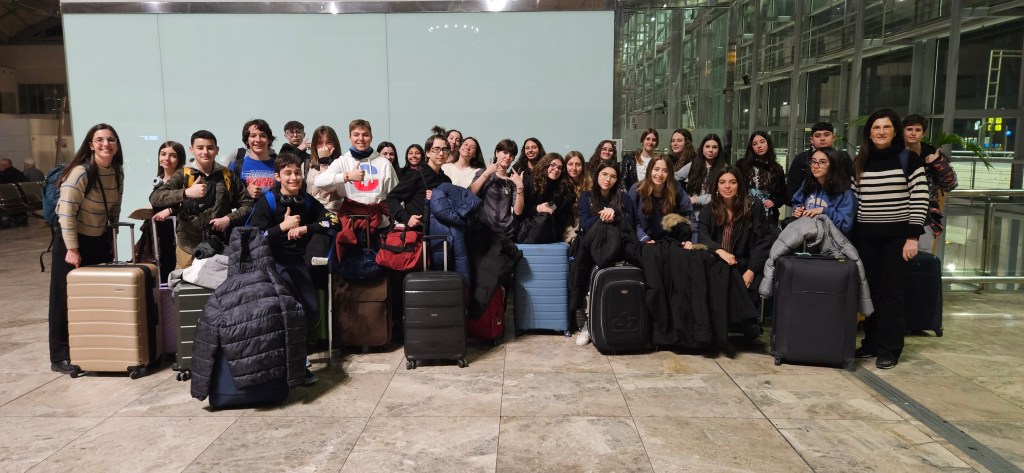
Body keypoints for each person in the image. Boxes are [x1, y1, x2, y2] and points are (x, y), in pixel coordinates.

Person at [246, 151, 338, 386]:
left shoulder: (306, 200)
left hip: (296, 263)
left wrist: (307, 228)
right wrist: (282, 227)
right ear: (277, 177)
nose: (294, 178)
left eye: (297, 173)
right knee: (289, 314)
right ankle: (295, 366)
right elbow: (253, 238)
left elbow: (333, 220)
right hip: (271, 265)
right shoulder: (267, 202)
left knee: (310, 309)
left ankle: (296, 361)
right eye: (288, 173)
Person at [852, 109, 929, 370]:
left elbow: (920, 198)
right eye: (876, 127)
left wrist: (912, 236)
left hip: (897, 238)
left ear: (895, 131)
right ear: (869, 132)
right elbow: (855, 198)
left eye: (886, 127)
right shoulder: (861, 160)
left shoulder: (909, 159)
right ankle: (872, 342)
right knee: (871, 291)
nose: (881, 132)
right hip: (866, 237)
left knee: (892, 294)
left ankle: (889, 349)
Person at [48, 124, 125, 375]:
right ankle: (60, 355)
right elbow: (66, 213)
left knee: (94, 296)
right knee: (64, 298)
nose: (106, 144)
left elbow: (115, 208)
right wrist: (72, 248)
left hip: (99, 239)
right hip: (73, 240)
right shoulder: (81, 172)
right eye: (99, 140)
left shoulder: (117, 172)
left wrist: (112, 238)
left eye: (111, 139)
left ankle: (92, 349)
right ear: (91, 145)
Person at [150, 130, 253, 270]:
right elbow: (155, 197)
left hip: (219, 246)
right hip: (187, 246)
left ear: (217, 150)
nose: (205, 152)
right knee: (184, 281)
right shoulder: (183, 174)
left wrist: (228, 219)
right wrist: (186, 193)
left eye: (210, 148)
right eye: (200, 148)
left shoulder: (228, 175)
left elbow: (247, 203)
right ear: (191, 149)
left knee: (219, 282)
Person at [573, 162, 635, 346]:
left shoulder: (624, 198)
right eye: (604, 174)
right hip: (592, 246)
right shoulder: (586, 196)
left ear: (617, 180)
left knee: (605, 231)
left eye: (613, 176)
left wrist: (614, 212)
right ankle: (587, 323)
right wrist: (603, 215)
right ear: (597, 176)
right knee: (598, 228)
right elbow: (585, 225)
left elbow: (630, 225)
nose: (608, 179)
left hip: (618, 246)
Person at [312, 119, 398, 226]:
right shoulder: (342, 161)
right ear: (350, 138)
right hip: (349, 222)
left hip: (379, 223)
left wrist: (398, 223)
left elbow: (395, 195)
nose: (360, 139)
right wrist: (347, 176)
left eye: (365, 135)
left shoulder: (384, 163)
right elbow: (319, 182)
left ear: (371, 138)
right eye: (356, 135)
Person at [902, 114, 958, 252]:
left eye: (918, 130)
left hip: (926, 215)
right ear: (903, 131)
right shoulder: (894, 154)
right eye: (909, 129)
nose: (913, 133)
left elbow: (950, 185)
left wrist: (937, 163)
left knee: (921, 257)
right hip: (898, 213)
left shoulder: (933, 154)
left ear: (923, 133)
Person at [387, 130, 453, 232]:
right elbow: (392, 197)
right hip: (419, 233)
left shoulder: (446, 180)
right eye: (436, 149)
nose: (441, 153)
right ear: (427, 153)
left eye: (445, 150)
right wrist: (406, 217)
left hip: (441, 232)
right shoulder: (416, 174)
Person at [629, 155, 693, 245]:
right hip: (643, 240)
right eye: (656, 169)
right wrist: (645, 239)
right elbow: (633, 221)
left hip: (670, 241)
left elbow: (689, 214)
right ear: (649, 170)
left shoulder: (675, 188)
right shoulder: (636, 189)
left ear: (669, 174)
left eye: (665, 171)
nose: (660, 174)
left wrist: (689, 241)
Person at [790, 146, 856, 234]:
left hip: (832, 240)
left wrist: (824, 211)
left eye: (822, 162)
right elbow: (797, 202)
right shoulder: (807, 184)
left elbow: (845, 225)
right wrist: (797, 210)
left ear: (833, 165)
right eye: (813, 161)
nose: (816, 166)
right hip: (807, 236)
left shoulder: (844, 192)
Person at [468, 138, 525, 238]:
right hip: (485, 230)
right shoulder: (483, 173)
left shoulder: (512, 180)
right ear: (497, 153)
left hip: (507, 232)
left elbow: (518, 211)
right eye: (505, 153)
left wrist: (520, 186)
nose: (508, 157)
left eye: (511, 155)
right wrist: (487, 173)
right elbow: (470, 193)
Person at [785, 122, 855, 204]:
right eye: (817, 136)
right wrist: (800, 206)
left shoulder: (843, 157)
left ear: (833, 137)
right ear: (811, 140)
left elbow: (851, 183)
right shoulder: (801, 159)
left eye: (826, 135)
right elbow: (793, 187)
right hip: (807, 206)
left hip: (839, 205)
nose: (822, 139)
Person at [517, 152, 575, 244]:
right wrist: (537, 208)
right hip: (526, 229)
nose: (556, 169)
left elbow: (557, 212)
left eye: (560, 168)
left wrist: (548, 208)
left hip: (551, 230)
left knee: (546, 215)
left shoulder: (562, 188)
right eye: (552, 165)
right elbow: (520, 213)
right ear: (544, 165)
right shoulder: (529, 181)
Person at [149, 141, 186, 280]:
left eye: (172, 155)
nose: (166, 158)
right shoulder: (158, 182)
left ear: (180, 159)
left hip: (180, 234)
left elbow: (190, 205)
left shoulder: (185, 180)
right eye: (163, 154)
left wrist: (171, 210)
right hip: (160, 233)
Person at [736, 131, 787, 226]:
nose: (759, 146)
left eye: (762, 142)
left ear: (768, 144)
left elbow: (783, 193)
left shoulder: (777, 168)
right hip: (745, 213)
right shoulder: (741, 164)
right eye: (755, 144)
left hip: (768, 216)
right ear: (751, 147)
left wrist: (774, 202)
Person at [230, 118, 277, 199]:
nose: (258, 140)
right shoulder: (236, 166)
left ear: (269, 140)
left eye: (262, 136)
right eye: (253, 136)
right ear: (247, 140)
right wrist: (246, 192)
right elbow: (228, 197)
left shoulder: (279, 166)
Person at [682, 133, 727, 216]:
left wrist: (696, 200)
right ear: (702, 148)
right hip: (692, 215)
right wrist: (683, 197)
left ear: (719, 150)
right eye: (707, 146)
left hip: (714, 213)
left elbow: (723, 194)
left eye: (714, 147)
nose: (711, 150)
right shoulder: (693, 165)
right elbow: (673, 179)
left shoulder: (724, 169)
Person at [305, 125, 343, 213]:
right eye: (320, 143)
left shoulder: (342, 164)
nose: (324, 147)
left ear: (335, 144)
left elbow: (326, 188)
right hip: (312, 214)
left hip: (335, 214)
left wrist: (324, 161)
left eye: (328, 142)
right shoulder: (306, 165)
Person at [562, 151, 590, 242]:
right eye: (570, 164)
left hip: (585, 229)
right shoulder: (560, 185)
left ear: (583, 167)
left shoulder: (590, 184)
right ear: (565, 166)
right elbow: (560, 214)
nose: (574, 168)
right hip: (566, 230)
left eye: (578, 164)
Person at [619, 128, 658, 193]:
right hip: (633, 195)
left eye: (654, 140)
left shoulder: (658, 161)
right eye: (647, 139)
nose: (650, 142)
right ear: (642, 141)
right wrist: (628, 196)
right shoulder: (631, 159)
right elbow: (623, 181)